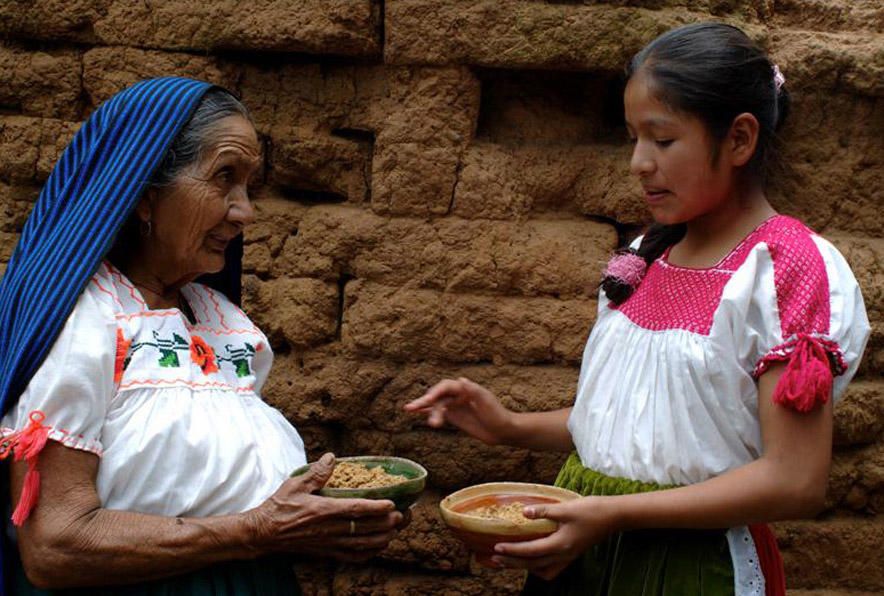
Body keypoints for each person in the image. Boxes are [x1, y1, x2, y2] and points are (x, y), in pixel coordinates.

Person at [406, 22, 870, 596]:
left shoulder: (784, 271)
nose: (638, 163)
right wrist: (508, 427)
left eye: (662, 139)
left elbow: (795, 480)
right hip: (584, 556)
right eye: (633, 138)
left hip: (691, 569)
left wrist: (615, 515)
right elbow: (644, 435)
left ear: (740, 139)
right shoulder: (647, 256)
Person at [0, 77, 403, 595]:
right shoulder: (85, 323)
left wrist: (318, 519)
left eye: (247, 185)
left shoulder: (222, 324)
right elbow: (54, 544)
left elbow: (210, 489)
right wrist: (255, 531)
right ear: (145, 195)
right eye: (224, 178)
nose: (245, 211)